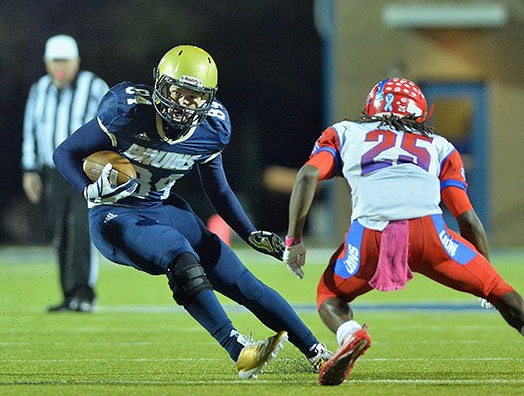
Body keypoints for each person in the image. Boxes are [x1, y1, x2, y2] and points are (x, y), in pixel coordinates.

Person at [52, 45, 331, 378]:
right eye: (177, 92)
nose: (185, 103)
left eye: (195, 96)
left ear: (208, 98)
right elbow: (65, 152)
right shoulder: (126, 111)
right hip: (114, 215)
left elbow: (218, 189)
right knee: (179, 253)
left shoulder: (211, 128)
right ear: (160, 86)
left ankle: (318, 353)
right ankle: (238, 349)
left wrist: (249, 233)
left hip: (164, 207)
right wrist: (88, 189)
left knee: (243, 282)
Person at [283, 77, 524, 386]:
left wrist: (294, 240)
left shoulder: (345, 133)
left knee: (329, 295)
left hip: (371, 235)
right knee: (501, 291)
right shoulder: (440, 146)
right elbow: (467, 218)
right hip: (429, 234)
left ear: (373, 106)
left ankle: (351, 334)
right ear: (419, 113)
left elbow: (307, 175)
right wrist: (485, 274)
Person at [22, 34, 109, 312]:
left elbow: (112, 126)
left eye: (65, 61)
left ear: (76, 62)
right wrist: (29, 170)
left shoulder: (94, 87)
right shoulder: (40, 89)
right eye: (54, 61)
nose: (60, 67)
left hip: (84, 169)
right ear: (47, 63)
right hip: (52, 172)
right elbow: (31, 132)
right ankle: (69, 292)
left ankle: (84, 293)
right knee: (59, 232)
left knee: (82, 229)